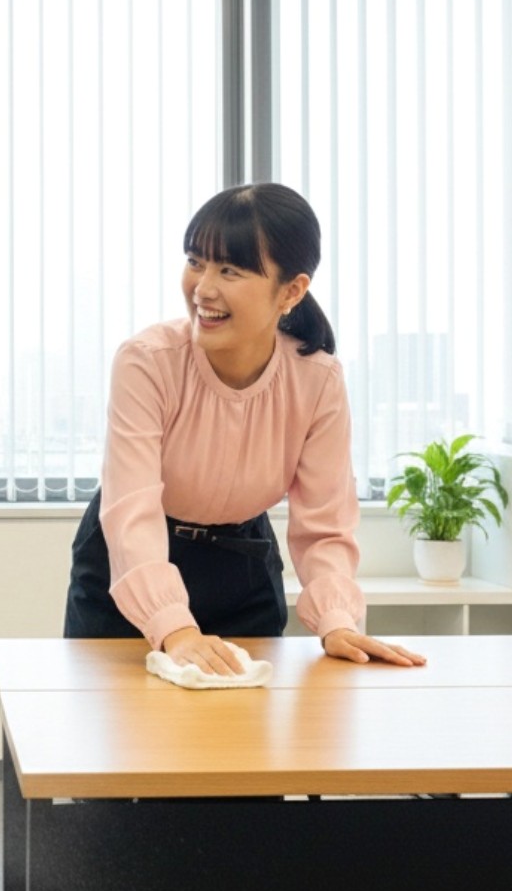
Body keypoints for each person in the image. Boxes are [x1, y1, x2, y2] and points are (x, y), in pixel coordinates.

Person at [64, 182, 426, 674]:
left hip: (243, 565)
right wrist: (175, 628)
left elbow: (324, 526)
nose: (203, 287)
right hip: (131, 565)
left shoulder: (317, 379)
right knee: (120, 738)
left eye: (230, 270)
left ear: (292, 291)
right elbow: (132, 512)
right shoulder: (147, 361)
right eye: (196, 262)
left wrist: (339, 623)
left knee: (245, 739)